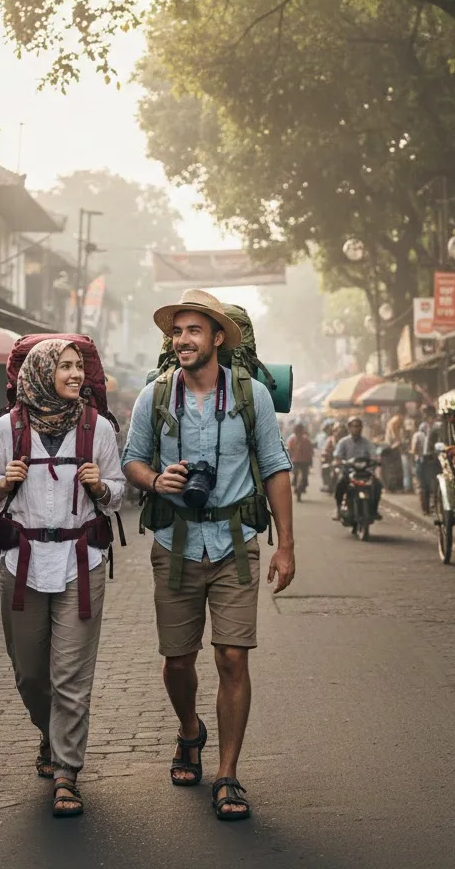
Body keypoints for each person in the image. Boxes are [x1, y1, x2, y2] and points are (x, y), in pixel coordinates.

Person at [122, 289, 295, 822]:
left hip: (234, 547)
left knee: (232, 657)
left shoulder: (251, 396)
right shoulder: (153, 395)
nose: (183, 341)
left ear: (218, 338)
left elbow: (274, 465)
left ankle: (228, 774)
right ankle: (189, 730)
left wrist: (286, 544)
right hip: (174, 543)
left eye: (194, 331)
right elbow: (130, 460)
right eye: (176, 332)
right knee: (177, 661)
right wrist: (156, 478)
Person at [0, 339, 124, 818]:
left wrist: (101, 486)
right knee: (30, 674)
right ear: (41, 372)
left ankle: (66, 773)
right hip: (22, 561)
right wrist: (2, 483)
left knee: (70, 677)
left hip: (82, 562)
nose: (75, 374)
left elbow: (118, 490)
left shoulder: (96, 427)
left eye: (79, 366)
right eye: (64, 366)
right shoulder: (9, 427)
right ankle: (49, 733)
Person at [332, 416, 381, 520]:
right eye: (353, 426)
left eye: (358, 426)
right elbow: (337, 456)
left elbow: (374, 455)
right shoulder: (343, 442)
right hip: (348, 471)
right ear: (349, 428)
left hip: (365, 472)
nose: (355, 428)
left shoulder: (367, 443)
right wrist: (339, 461)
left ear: (361, 428)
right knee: (340, 484)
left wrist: (376, 460)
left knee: (377, 484)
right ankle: (338, 509)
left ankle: (374, 509)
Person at [410, 407, 438, 514]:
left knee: (433, 485)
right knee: (423, 485)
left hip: (432, 460)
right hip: (421, 460)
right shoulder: (420, 431)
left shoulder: (437, 428)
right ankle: (425, 508)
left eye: (429, 415)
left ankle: (433, 506)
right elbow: (414, 448)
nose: (427, 418)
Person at [285, 422, 314, 500]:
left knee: (303, 476)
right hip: (297, 461)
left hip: (303, 461)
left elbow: (310, 451)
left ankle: (300, 486)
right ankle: (297, 486)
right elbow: (289, 450)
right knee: (297, 475)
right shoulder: (292, 439)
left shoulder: (305, 439)